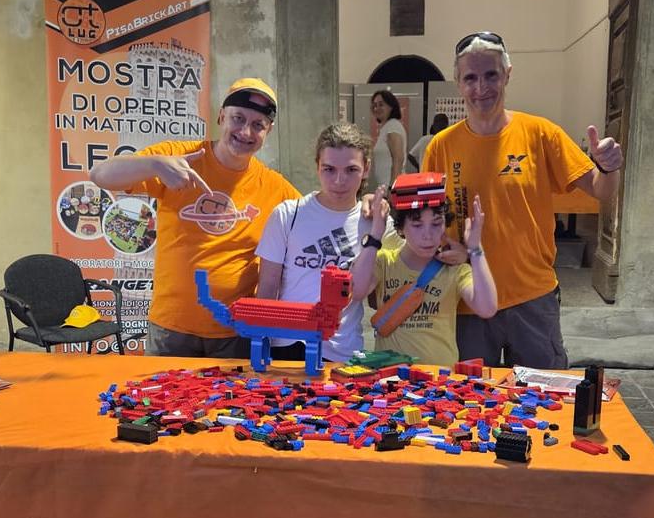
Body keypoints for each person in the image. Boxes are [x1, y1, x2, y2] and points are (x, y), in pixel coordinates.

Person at [422, 32, 623, 367]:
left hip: (533, 297)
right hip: (468, 299)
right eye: (470, 78)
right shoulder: (441, 147)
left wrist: (609, 167)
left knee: (544, 394)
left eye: (491, 75)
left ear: (507, 74)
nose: (481, 87)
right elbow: (424, 221)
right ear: (457, 82)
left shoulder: (541, 134)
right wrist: (443, 248)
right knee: (472, 396)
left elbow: (602, 190)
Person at [90, 78, 299, 357]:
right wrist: (154, 164)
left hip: (235, 332)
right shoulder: (177, 158)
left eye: (258, 125)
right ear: (221, 116)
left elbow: (318, 218)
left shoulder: (274, 186)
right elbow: (100, 175)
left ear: (268, 130)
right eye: (238, 118)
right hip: (171, 329)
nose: (246, 132)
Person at [256, 122, 376, 362]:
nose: (339, 180)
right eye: (329, 169)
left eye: (351, 170)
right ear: (317, 167)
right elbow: (267, 288)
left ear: (366, 169)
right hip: (287, 345)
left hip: (342, 352)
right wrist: (260, 349)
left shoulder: (375, 222)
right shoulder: (287, 215)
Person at [351, 176, 497, 366]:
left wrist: (476, 249)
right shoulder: (385, 262)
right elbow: (356, 290)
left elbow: (487, 308)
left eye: (436, 223)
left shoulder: (455, 270)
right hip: (391, 377)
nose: (427, 235)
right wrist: (376, 235)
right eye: (417, 225)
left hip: (439, 378)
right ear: (401, 228)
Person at [370, 89, 407, 188]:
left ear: (391, 106)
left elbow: (398, 159)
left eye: (381, 104)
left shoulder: (392, 126)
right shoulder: (386, 127)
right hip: (384, 186)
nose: (377, 108)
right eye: (374, 105)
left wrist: (392, 188)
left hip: (391, 187)